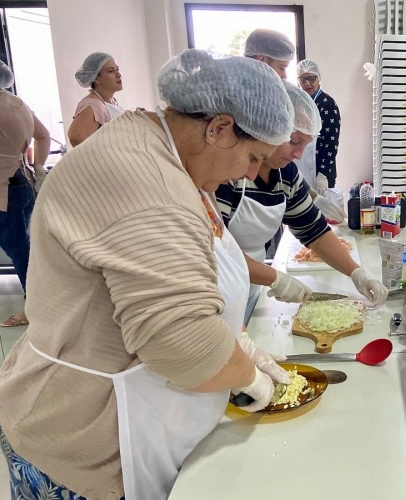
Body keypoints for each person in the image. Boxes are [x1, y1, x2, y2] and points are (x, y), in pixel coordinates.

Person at [0, 49, 296, 500]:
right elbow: (183, 346)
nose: (251, 174)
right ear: (217, 129)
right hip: (78, 439)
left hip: (126, 414)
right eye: (254, 157)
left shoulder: (159, 147)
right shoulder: (149, 182)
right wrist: (245, 374)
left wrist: (237, 345)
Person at [216, 81, 385, 324]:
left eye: (305, 146)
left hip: (253, 282)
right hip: (220, 283)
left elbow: (313, 231)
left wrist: (356, 273)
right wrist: (275, 278)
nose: (298, 154)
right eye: (294, 142)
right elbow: (217, 251)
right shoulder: (228, 173)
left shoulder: (286, 174)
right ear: (270, 127)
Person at [0, 61, 50, 328]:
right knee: (25, 247)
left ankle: (35, 306)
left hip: (4, 191)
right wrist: (38, 166)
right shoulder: (18, 104)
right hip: (23, 183)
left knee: (20, 250)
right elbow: (43, 136)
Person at [298, 59, 341, 190]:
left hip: (322, 170)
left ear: (319, 78)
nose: (307, 84)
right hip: (302, 167)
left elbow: (331, 142)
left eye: (311, 79)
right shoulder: (299, 102)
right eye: (302, 79)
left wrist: (323, 174)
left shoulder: (327, 104)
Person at [68, 52, 124, 147]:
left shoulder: (111, 101)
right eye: (111, 71)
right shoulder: (93, 105)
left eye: (117, 69)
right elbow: (76, 137)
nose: (118, 74)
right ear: (96, 78)